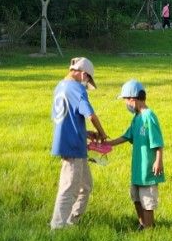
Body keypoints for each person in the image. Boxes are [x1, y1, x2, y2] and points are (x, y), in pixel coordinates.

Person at [49, 56, 108, 230]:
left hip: (72, 142)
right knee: (69, 187)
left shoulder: (60, 86)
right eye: (88, 79)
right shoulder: (76, 88)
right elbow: (91, 115)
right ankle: (58, 227)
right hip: (73, 146)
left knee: (85, 186)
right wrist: (102, 134)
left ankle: (72, 221)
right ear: (83, 75)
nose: (87, 83)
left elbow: (67, 118)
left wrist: (85, 133)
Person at [108, 79, 165, 231]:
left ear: (133, 99)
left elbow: (158, 142)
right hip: (137, 169)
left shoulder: (149, 116)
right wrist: (109, 144)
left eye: (126, 100)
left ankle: (149, 228)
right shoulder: (137, 118)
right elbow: (127, 136)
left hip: (148, 168)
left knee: (147, 201)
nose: (125, 104)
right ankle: (142, 223)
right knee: (136, 197)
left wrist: (158, 161)